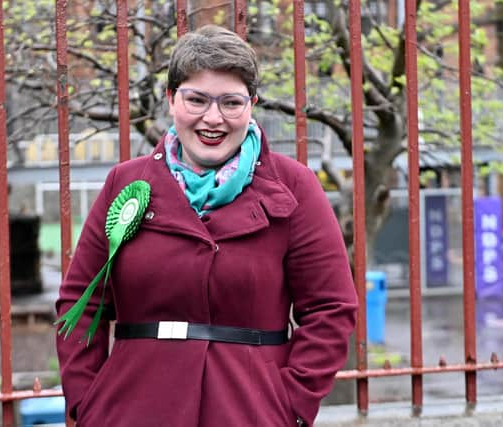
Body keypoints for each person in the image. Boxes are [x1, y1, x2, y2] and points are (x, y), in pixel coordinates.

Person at [55, 24, 358, 427]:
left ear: (251, 104)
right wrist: (89, 404)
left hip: (249, 412)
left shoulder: (295, 186)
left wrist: (291, 408)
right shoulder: (126, 185)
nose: (212, 118)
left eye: (231, 103)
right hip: (130, 410)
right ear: (171, 99)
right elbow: (81, 303)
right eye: (196, 99)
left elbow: (331, 309)